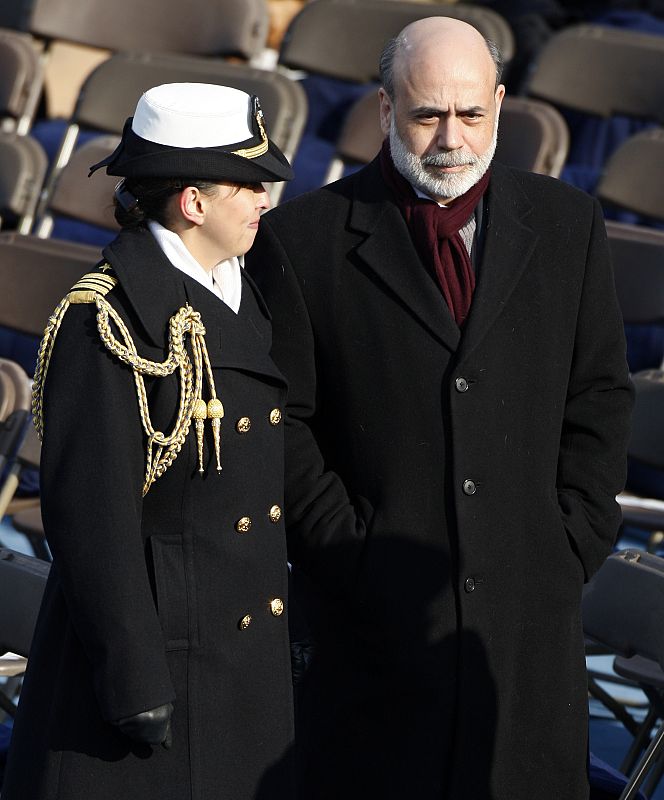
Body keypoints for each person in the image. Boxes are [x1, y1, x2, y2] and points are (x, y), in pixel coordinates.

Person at [245, 17, 634, 800]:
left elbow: (598, 396)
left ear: (499, 105)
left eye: (471, 114)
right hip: (372, 643)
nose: (450, 138)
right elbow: (283, 424)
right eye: (426, 116)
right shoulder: (301, 240)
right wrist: (352, 551)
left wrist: (570, 542)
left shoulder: (567, 225)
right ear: (386, 112)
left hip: (525, 642)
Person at [3, 83, 297, 800]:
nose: (265, 199)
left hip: (239, 658)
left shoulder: (236, 282)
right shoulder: (109, 320)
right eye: (249, 184)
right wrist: (134, 681)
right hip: (162, 666)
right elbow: (92, 519)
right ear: (192, 203)